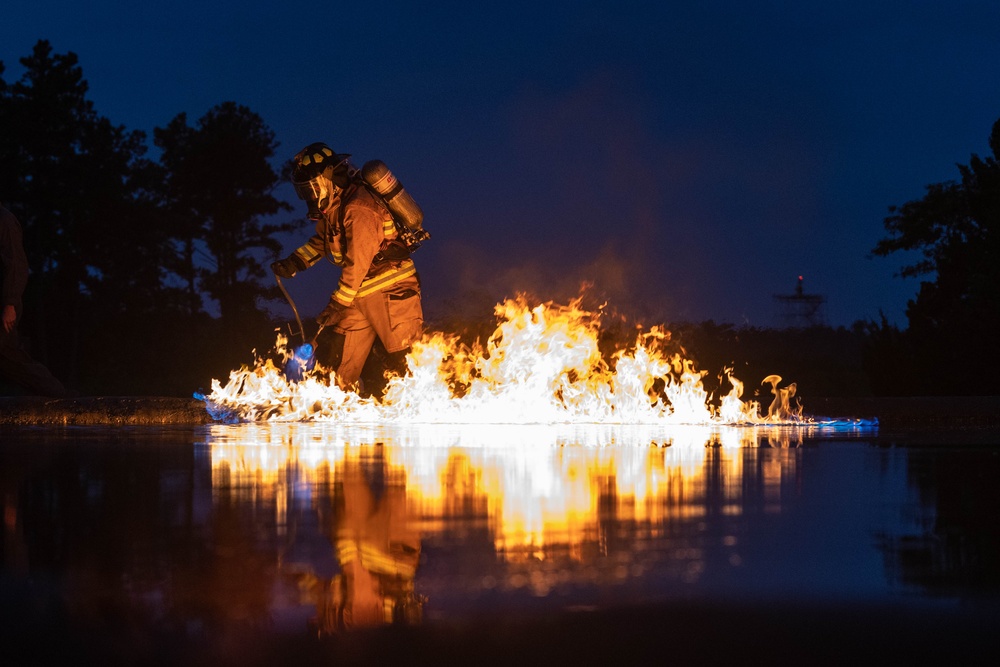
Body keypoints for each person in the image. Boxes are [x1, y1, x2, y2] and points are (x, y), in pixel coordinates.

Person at [272, 143, 423, 393]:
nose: (310, 195)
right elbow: (324, 242)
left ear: (330, 178)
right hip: (358, 294)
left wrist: (337, 304)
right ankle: (341, 414)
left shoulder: (359, 208)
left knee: (405, 362)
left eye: (313, 187)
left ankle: (428, 410)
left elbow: (358, 262)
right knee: (339, 368)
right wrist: (295, 261)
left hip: (390, 290)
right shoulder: (334, 209)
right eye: (304, 190)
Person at [0, 201, 68, 397]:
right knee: (11, 360)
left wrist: (10, 302)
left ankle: (60, 396)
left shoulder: (4, 221)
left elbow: (16, 264)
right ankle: (58, 394)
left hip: (4, 303)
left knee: (10, 358)